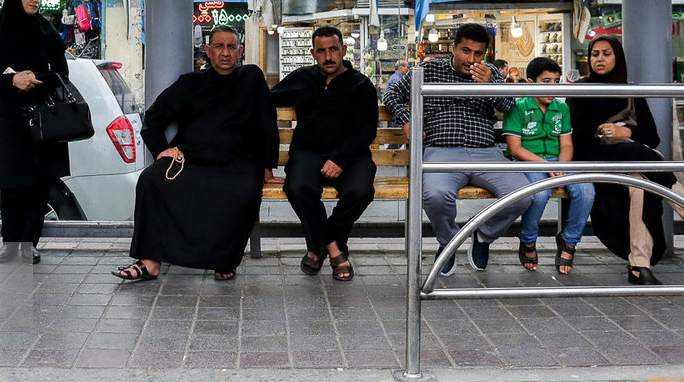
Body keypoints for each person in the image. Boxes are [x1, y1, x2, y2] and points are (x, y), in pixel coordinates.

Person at [113, 25, 278, 282]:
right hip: (192, 160)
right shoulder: (191, 83)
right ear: (209, 51)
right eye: (219, 47)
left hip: (238, 163)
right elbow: (154, 119)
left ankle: (223, 261)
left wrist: (267, 165)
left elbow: (267, 121)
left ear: (240, 51)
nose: (225, 53)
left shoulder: (251, 78)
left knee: (242, 191)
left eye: (231, 47)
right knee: (151, 179)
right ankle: (149, 260)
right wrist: (161, 151)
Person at [384, 23, 533, 275]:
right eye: (465, 51)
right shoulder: (429, 69)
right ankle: (449, 241)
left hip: (485, 151)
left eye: (478, 54)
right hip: (441, 149)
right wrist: (407, 121)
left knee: (522, 195)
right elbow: (391, 94)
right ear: (453, 48)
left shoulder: (490, 74)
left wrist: (490, 86)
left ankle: (483, 236)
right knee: (435, 194)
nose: (471, 59)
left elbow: (510, 105)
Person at [568, 36, 684, 285]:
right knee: (647, 158)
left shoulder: (629, 89)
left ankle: (638, 266)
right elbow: (578, 141)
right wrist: (603, 133)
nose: (599, 59)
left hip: (633, 162)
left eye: (606, 53)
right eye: (595, 54)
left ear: (617, 57)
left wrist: (625, 132)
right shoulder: (579, 90)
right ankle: (680, 200)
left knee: (639, 184)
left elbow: (652, 136)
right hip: (595, 158)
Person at [270, 26, 377, 281]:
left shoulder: (361, 85)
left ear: (343, 50)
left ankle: (318, 247)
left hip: (351, 155)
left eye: (333, 49)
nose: (328, 56)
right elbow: (267, 99)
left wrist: (340, 159)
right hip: (308, 153)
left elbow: (366, 130)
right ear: (313, 53)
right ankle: (335, 249)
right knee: (297, 186)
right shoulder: (302, 78)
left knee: (361, 191)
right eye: (322, 51)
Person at [0, 0, 70, 265]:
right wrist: (12, 80)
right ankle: (10, 242)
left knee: (38, 181)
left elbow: (61, 74)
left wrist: (34, 78)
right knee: (11, 182)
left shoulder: (47, 32)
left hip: (43, 117)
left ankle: (30, 242)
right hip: (10, 118)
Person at [502, 57, 594, 274]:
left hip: (557, 160)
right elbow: (515, 148)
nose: (552, 86)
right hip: (527, 161)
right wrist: (544, 164)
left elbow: (567, 144)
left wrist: (561, 165)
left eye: (556, 81)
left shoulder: (561, 108)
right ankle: (528, 241)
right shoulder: (518, 106)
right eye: (546, 81)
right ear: (531, 82)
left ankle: (569, 242)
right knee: (539, 194)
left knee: (587, 190)